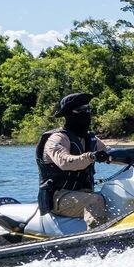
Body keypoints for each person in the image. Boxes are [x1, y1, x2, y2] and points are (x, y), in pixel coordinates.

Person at [34, 93, 115, 228]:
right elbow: (64, 162)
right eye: (82, 111)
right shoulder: (57, 139)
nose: (86, 114)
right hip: (58, 197)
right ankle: (96, 240)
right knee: (95, 201)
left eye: (88, 110)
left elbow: (111, 154)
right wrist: (90, 156)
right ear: (69, 114)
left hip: (82, 193)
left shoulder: (89, 139)